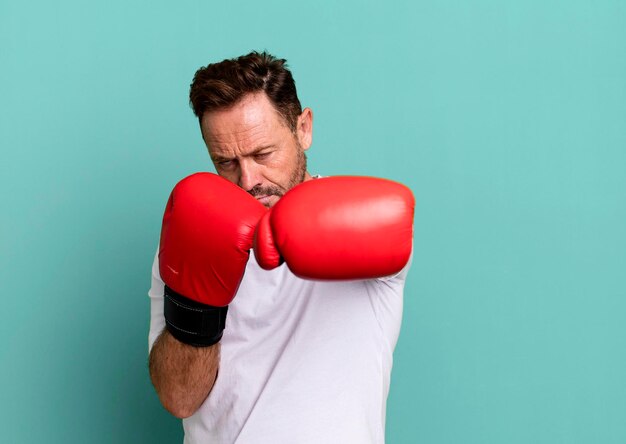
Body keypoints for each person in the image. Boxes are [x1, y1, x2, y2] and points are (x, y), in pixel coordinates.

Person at [148, 51, 414, 443]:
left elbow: (394, 219)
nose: (248, 179)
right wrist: (200, 303)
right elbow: (179, 398)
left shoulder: (359, 226)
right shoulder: (192, 235)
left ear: (303, 128)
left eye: (263, 154)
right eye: (225, 162)